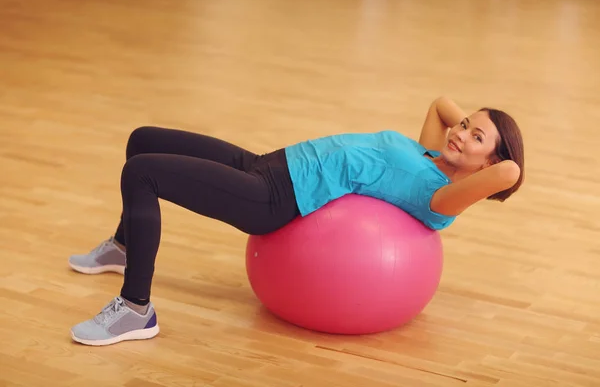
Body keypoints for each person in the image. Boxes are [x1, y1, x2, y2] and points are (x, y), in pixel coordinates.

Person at [68, 96, 524, 346]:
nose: (459, 132)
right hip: (270, 163)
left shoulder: (444, 198)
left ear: (487, 167)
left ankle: (134, 309)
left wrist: (487, 152)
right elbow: (440, 104)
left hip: (273, 198)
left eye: (475, 136)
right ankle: (124, 245)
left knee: (141, 172)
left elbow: (511, 172)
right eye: (464, 125)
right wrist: (470, 130)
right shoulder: (431, 151)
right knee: (142, 139)